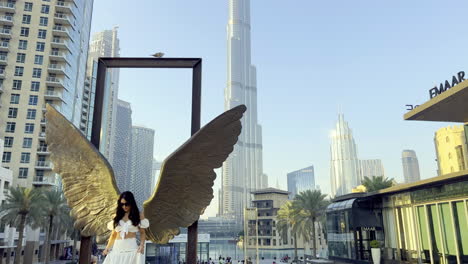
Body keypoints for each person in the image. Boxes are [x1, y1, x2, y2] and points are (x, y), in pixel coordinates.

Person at [102, 191, 149, 263]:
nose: (124, 206)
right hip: (117, 249)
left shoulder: (138, 216)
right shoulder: (116, 216)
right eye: (122, 204)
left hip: (131, 249)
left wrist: (141, 246)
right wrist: (107, 248)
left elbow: (142, 233)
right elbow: (114, 234)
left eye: (126, 204)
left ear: (131, 203)